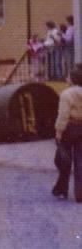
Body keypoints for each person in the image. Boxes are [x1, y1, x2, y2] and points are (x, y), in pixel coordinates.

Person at [53, 65, 82, 202]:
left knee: (64, 160)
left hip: (69, 129)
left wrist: (59, 131)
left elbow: (63, 115)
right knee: (80, 161)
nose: (66, 78)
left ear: (72, 79)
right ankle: (80, 194)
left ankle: (62, 190)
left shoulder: (66, 94)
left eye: (68, 77)